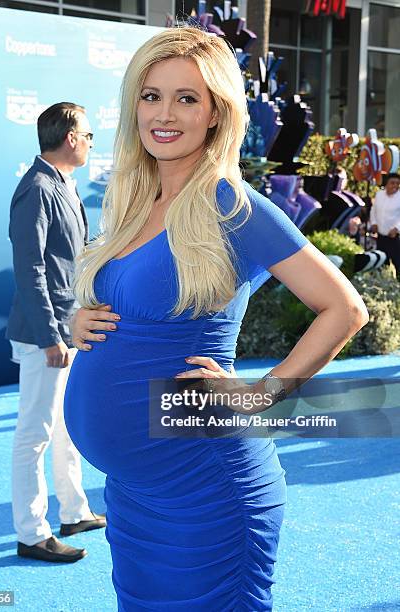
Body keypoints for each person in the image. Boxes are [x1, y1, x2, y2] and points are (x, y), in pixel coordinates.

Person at [64, 28, 368, 609]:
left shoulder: (235, 205)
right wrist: (85, 321)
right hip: (134, 492)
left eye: (186, 98)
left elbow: (343, 308)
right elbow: (130, 301)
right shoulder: (136, 203)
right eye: (151, 95)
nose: (164, 113)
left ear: (216, 114)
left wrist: (262, 394)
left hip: (205, 485)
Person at [6, 102, 105, 564]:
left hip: (68, 328)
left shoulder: (61, 183)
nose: (89, 142)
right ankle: (32, 533)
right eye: (87, 135)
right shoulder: (37, 188)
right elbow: (29, 270)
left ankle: (74, 511)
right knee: (35, 434)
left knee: (66, 428)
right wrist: (51, 336)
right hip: (46, 335)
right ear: (69, 138)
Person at [369, 173, 400, 280]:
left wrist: (397, 228)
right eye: (392, 183)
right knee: (381, 260)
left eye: (397, 183)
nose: (395, 186)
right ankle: (381, 282)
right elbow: (374, 210)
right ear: (386, 183)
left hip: (394, 237)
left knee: (397, 262)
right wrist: (373, 223)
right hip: (381, 236)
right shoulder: (379, 195)